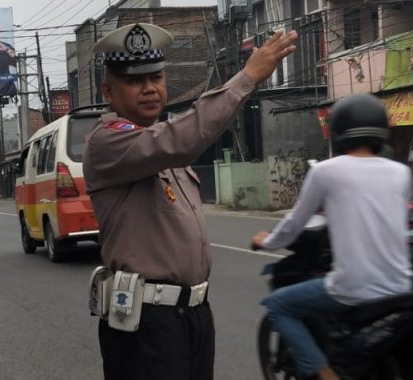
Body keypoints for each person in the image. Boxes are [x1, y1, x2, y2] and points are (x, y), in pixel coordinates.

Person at [83, 23, 298, 380]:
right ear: (108, 90)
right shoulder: (108, 142)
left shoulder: (164, 146)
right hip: (147, 323)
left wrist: (198, 301)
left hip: (190, 315)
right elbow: (181, 138)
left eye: (156, 77)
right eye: (135, 81)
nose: (150, 88)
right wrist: (246, 77)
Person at [251, 93, 413, 380]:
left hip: (351, 288)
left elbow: (294, 223)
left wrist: (268, 241)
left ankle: (325, 374)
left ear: (339, 132)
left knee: (278, 305)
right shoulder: (401, 173)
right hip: (401, 286)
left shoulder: (327, 171)